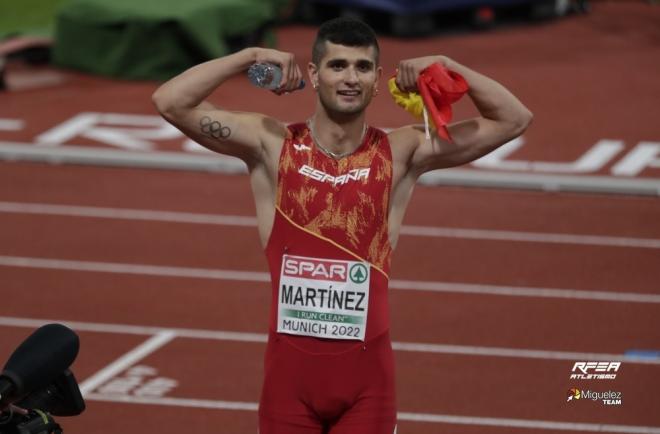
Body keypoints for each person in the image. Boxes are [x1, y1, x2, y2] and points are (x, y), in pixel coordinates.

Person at [152, 17, 532, 434]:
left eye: (362, 67)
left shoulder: (402, 152)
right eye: (337, 66)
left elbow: (514, 119)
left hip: (367, 390)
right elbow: (171, 101)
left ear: (377, 79)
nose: (350, 78)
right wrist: (250, 56)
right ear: (314, 74)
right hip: (288, 388)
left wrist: (446, 63)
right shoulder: (271, 144)